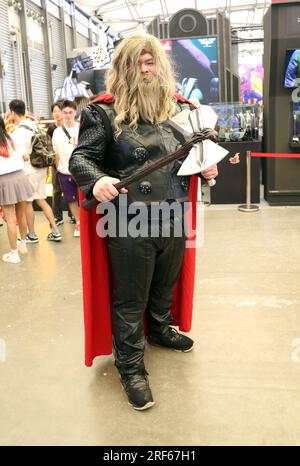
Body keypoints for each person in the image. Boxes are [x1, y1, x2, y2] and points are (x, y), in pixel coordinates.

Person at [69, 33, 218, 410]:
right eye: (138, 63)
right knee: (130, 298)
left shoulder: (183, 109)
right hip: (128, 219)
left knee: (165, 284)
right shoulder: (101, 112)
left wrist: (208, 169)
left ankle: (161, 327)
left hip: (174, 213)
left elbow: (196, 156)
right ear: (123, 69)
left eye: (151, 62)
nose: (145, 70)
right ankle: (131, 367)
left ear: (162, 66)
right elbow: (79, 159)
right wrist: (98, 178)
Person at [9, 99, 62, 243]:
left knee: (27, 203)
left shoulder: (18, 132)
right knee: (41, 199)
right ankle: (56, 231)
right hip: (42, 169)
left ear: (13, 112)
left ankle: (31, 234)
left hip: (29, 171)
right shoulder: (34, 125)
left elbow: (25, 156)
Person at [0, 116, 33, 263]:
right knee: (21, 215)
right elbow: (26, 157)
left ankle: (14, 254)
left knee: (11, 219)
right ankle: (23, 245)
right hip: (20, 177)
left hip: (4, 180)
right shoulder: (13, 137)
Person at [52, 100, 80, 237]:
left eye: (70, 112)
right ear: (61, 113)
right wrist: (58, 169)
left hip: (80, 171)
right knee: (71, 199)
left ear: (75, 112)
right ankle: (79, 223)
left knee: (84, 199)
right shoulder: (57, 132)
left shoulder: (81, 128)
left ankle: (86, 223)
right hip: (64, 171)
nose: (68, 115)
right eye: (65, 112)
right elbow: (56, 153)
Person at [47, 102, 75, 226]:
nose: (57, 114)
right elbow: (52, 150)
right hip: (59, 167)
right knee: (59, 191)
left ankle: (74, 216)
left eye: (59, 111)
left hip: (74, 167)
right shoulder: (53, 130)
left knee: (74, 193)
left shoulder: (76, 127)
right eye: (55, 111)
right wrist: (57, 167)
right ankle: (59, 216)